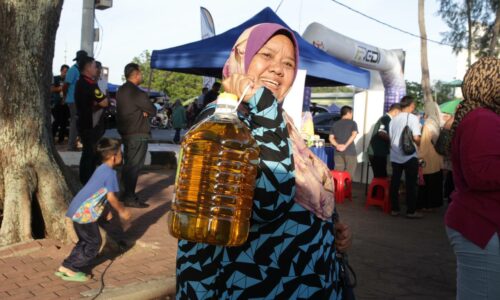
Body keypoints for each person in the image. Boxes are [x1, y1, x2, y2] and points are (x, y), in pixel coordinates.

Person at [176, 23, 352, 299]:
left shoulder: (284, 124)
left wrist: (330, 228)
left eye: (288, 63)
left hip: (302, 282)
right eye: (266, 55)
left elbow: (302, 189)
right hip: (248, 285)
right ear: (241, 57)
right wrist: (261, 101)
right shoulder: (222, 121)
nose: (278, 69)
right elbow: (266, 202)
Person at [445, 57, 500, 299]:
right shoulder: (482, 119)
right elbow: (479, 174)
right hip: (480, 224)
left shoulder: (479, 117)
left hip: (481, 223)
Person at [55, 138, 131, 282]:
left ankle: (67, 265)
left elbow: (100, 192)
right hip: (85, 214)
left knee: (85, 241)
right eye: (121, 153)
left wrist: (107, 211)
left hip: (77, 210)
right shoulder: (110, 173)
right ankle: (72, 268)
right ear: (114, 156)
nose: (122, 155)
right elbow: (111, 197)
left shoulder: (101, 169)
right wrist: (122, 211)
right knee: (94, 242)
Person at [116, 63, 156, 208]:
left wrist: (143, 111)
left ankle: (124, 193)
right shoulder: (137, 93)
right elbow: (152, 110)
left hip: (126, 132)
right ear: (137, 74)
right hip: (138, 132)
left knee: (128, 164)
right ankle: (130, 197)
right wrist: (143, 112)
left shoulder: (120, 90)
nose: (142, 76)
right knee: (134, 166)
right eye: (141, 73)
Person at [75, 56, 109, 184]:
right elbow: (105, 102)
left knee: (87, 154)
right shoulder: (91, 84)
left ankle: (85, 180)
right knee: (89, 154)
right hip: (90, 124)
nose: (97, 69)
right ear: (88, 68)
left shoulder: (80, 82)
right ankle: (87, 182)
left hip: (83, 122)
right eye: (95, 66)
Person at [388, 95, 422, 218]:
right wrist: (420, 144)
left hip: (395, 155)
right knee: (411, 184)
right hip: (409, 156)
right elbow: (416, 137)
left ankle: (395, 209)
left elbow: (391, 138)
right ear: (411, 105)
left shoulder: (393, 119)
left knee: (395, 183)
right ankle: (411, 211)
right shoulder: (413, 118)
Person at [417, 102, 444, 211]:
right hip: (437, 157)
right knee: (435, 182)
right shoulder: (437, 123)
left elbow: (424, 143)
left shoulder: (427, 125)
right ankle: (433, 205)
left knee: (426, 181)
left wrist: (420, 157)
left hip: (428, 157)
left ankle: (426, 205)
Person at [367, 103, 401, 178]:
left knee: (380, 176)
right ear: (396, 112)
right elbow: (381, 133)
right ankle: (376, 190)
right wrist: (393, 140)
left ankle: (376, 189)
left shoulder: (386, 119)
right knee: (380, 177)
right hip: (377, 153)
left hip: (378, 152)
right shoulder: (386, 119)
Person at [64, 50, 88, 151]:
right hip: (73, 100)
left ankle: (77, 143)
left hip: (80, 101)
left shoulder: (82, 70)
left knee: (79, 123)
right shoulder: (73, 70)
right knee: (74, 123)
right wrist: (65, 97)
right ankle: (70, 145)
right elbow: (65, 85)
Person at [329, 105, 359, 176]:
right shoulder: (353, 123)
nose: (352, 115)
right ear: (349, 113)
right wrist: (345, 146)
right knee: (348, 175)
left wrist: (337, 145)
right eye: (352, 113)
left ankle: (337, 187)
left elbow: (330, 138)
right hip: (350, 152)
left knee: (338, 174)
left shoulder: (335, 124)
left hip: (338, 153)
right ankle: (345, 187)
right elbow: (354, 135)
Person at [51, 64, 70, 144]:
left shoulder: (68, 80)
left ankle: (61, 139)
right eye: (64, 71)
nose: (65, 73)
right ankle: (52, 137)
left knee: (64, 122)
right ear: (61, 71)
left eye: (67, 72)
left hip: (66, 103)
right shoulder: (56, 79)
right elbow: (51, 89)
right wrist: (61, 88)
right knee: (57, 120)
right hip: (57, 103)